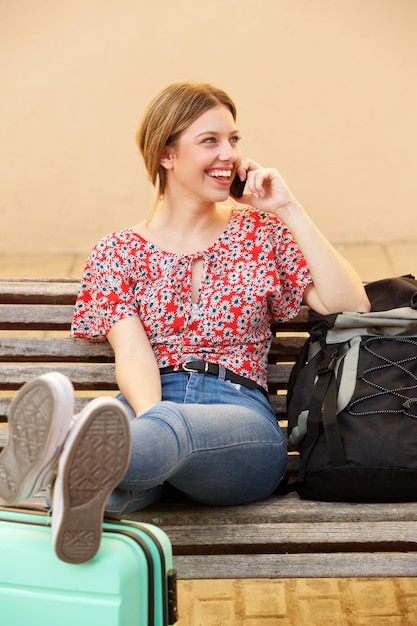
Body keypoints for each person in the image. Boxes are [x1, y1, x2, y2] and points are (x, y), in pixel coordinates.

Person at [0, 82, 370, 564]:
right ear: (166, 155)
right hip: (145, 411)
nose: (230, 155)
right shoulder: (116, 252)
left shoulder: (261, 233)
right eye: (210, 140)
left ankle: (61, 446)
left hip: (239, 425)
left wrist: (288, 208)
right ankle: (75, 482)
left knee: (162, 434)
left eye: (233, 140)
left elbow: (353, 306)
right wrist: (152, 416)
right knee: (112, 488)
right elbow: (132, 354)